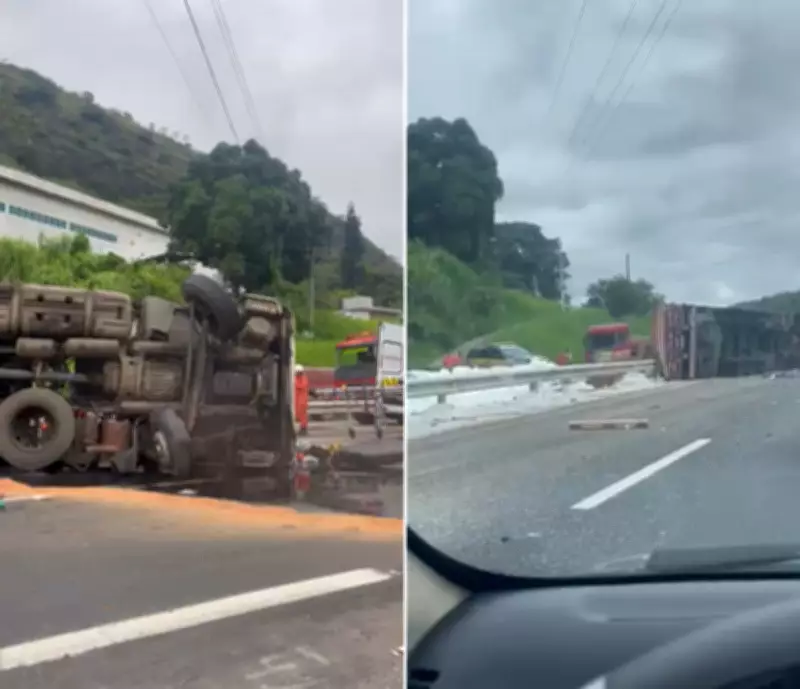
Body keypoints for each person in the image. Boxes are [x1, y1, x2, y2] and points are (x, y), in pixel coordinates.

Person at [294, 364, 309, 436]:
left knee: (302, 415)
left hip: (302, 400)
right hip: (297, 400)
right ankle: (301, 428)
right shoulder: (296, 378)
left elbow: (302, 386)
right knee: (298, 415)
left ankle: (304, 429)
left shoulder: (303, 378)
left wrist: (295, 384)